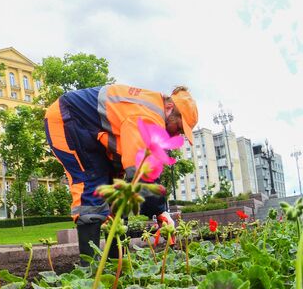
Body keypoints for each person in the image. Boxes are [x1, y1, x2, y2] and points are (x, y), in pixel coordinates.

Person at [44, 84, 198, 257]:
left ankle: (116, 263)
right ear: (169, 108)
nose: (176, 135)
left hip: (92, 133)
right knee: (92, 187)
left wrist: (157, 208)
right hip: (67, 119)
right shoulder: (148, 115)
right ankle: (88, 272)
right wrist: (160, 210)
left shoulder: (150, 108)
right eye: (178, 128)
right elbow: (141, 173)